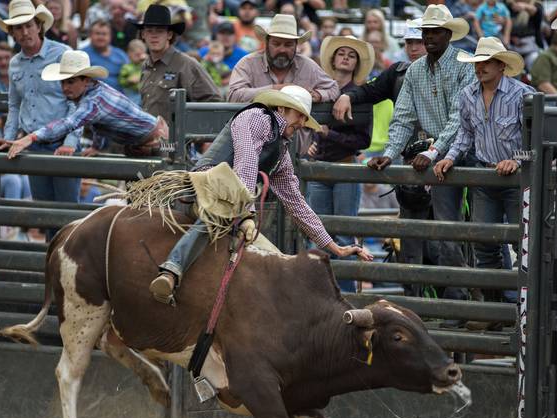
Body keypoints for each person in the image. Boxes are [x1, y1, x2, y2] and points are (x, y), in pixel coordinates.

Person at [148, 85, 373, 303]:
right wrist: (247, 213)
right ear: (281, 109)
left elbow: (297, 204)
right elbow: (246, 163)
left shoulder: (281, 154)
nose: (302, 122)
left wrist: (334, 246)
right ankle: (171, 269)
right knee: (221, 211)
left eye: (305, 118)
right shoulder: (257, 117)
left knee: (273, 260)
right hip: (206, 186)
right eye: (299, 115)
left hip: (236, 204)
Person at [358, 6, 476, 315]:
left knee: (466, 235)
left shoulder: (463, 66)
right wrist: (388, 153)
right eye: (427, 32)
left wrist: (433, 151)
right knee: (431, 235)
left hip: (464, 155)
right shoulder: (414, 71)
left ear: (448, 34)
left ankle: (467, 305)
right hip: (431, 157)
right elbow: (403, 118)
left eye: (435, 31)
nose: (429, 37)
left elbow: (460, 118)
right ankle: (438, 306)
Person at [433, 37, 534, 328]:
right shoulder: (467, 95)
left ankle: (518, 307)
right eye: (478, 63)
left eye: (487, 62)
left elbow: (536, 141)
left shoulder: (522, 95)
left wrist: (517, 160)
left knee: (522, 243)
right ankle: (496, 310)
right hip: (484, 175)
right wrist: (450, 157)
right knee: (484, 243)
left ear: (501, 65)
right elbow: (464, 136)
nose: (481, 68)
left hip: (517, 180)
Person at [0, 0, 81, 220]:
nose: (25, 32)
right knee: (44, 214)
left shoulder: (63, 54)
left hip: (61, 146)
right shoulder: (15, 63)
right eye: (18, 27)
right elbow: (14, 104)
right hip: (33, 145)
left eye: (29, 25)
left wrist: (70, 143)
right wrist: (9, 138)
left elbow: (77, 103)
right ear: (12, 33)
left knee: (68, 216)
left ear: (39, 26)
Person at [4, 50, 168, 159]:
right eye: (63, 83)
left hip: (158, 144)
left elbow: (69, 123)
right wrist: (97, 146)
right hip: (146, 143)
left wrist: (31, 137)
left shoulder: (93, 101)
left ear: (86, 80)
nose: (65, 88)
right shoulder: (94, 94)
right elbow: (101, 123)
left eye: (71, 82)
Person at [308, 36, 374, 292]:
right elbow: (315, 126)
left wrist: (327, 135)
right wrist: (315, 141)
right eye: (341, 53)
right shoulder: (323, 93)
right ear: (334, 59)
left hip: (345, 167)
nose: (345, 57)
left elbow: (364, 140)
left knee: (343, 235)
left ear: (355, 63)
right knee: (317, 234)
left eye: (351, 55)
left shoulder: (362, 97)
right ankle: (319, 294)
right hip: (322, 167)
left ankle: (343, 295)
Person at [132, 4, 221, 124]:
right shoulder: (146, 65)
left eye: (159, 31)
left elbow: (213, 103)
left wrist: (192, 135)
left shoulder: (186, 64)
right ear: (143, 34)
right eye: (149, 30)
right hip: (150, 139)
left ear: (169, 34)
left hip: (175, 141)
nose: (154, 35)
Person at [227, 14, 340, 103]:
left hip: (298, 132)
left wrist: (319, 95)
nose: (282, 50)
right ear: (266, 43)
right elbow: (233, 96)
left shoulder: (307, 65)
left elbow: (334, 88)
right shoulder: (247, 63)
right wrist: (276, 89)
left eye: (288, 45)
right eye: (276, 44)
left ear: (296, 46)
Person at [83, 19, 129, 90]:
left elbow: (130, 74)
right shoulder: (82, 55)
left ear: (110, 36)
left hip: (118, 97)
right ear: (90, 35)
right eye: (97, 33)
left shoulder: (120, 55)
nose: (101, 37)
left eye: (104, 34)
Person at [119, 38, 147, 104]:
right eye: (137, 55)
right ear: (129, 54)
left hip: (143, 94)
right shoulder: (126, 67)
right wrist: (128, 80)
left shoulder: (145, 65)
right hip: (131, 94)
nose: (139, 57)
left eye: (141, 55)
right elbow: (121, 81)